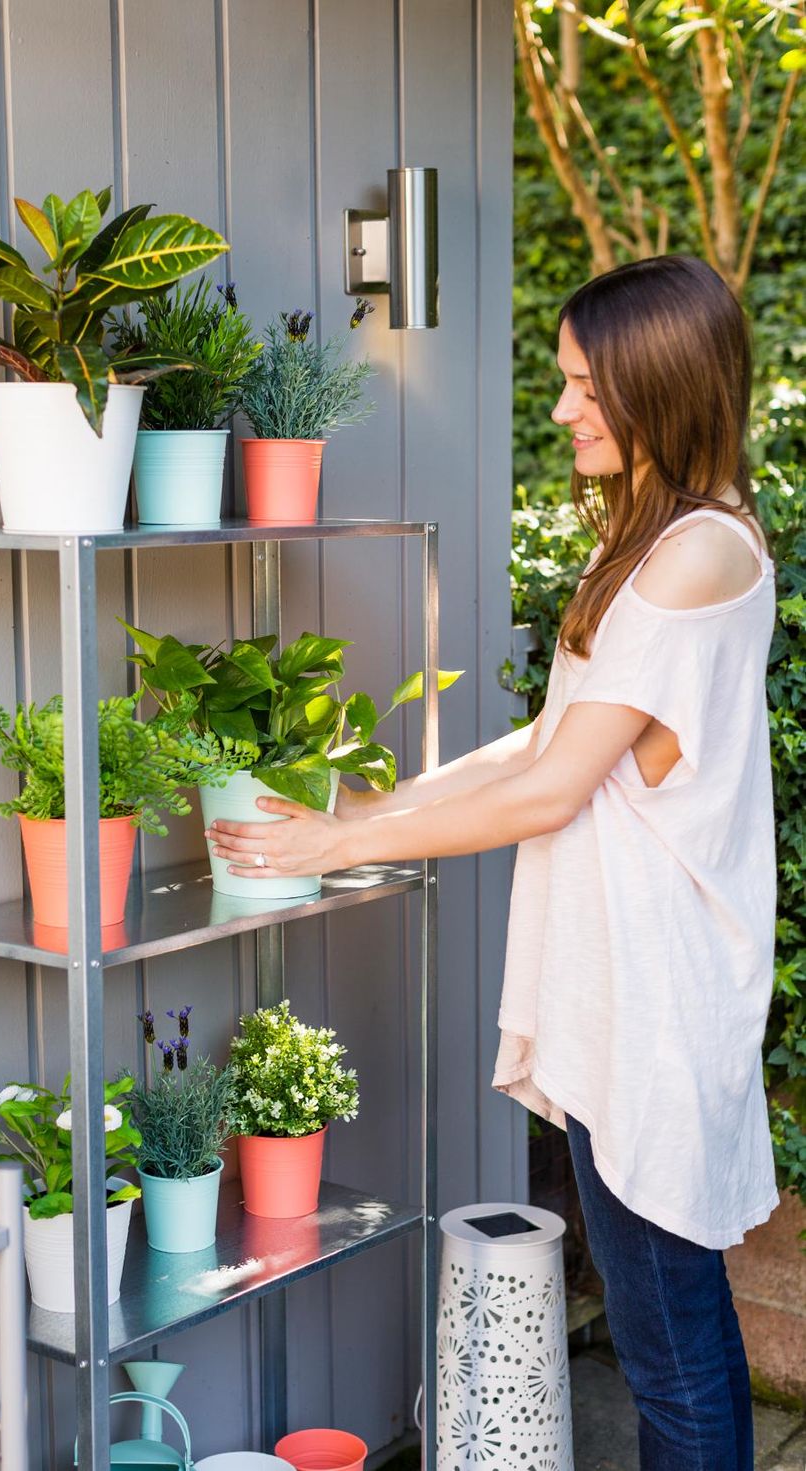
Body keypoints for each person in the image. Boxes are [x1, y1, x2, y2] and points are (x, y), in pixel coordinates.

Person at [206, 254, 779, 1470]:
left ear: (661, 389)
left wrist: (339, 840)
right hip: (630, 993)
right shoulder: (664, 538)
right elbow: (551, 735)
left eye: (586, 387)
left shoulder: (692, 556)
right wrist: (388, 801)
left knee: (667, 1351)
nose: (564, 408)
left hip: (654, 1003)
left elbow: (551, 788)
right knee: (668, 1326)